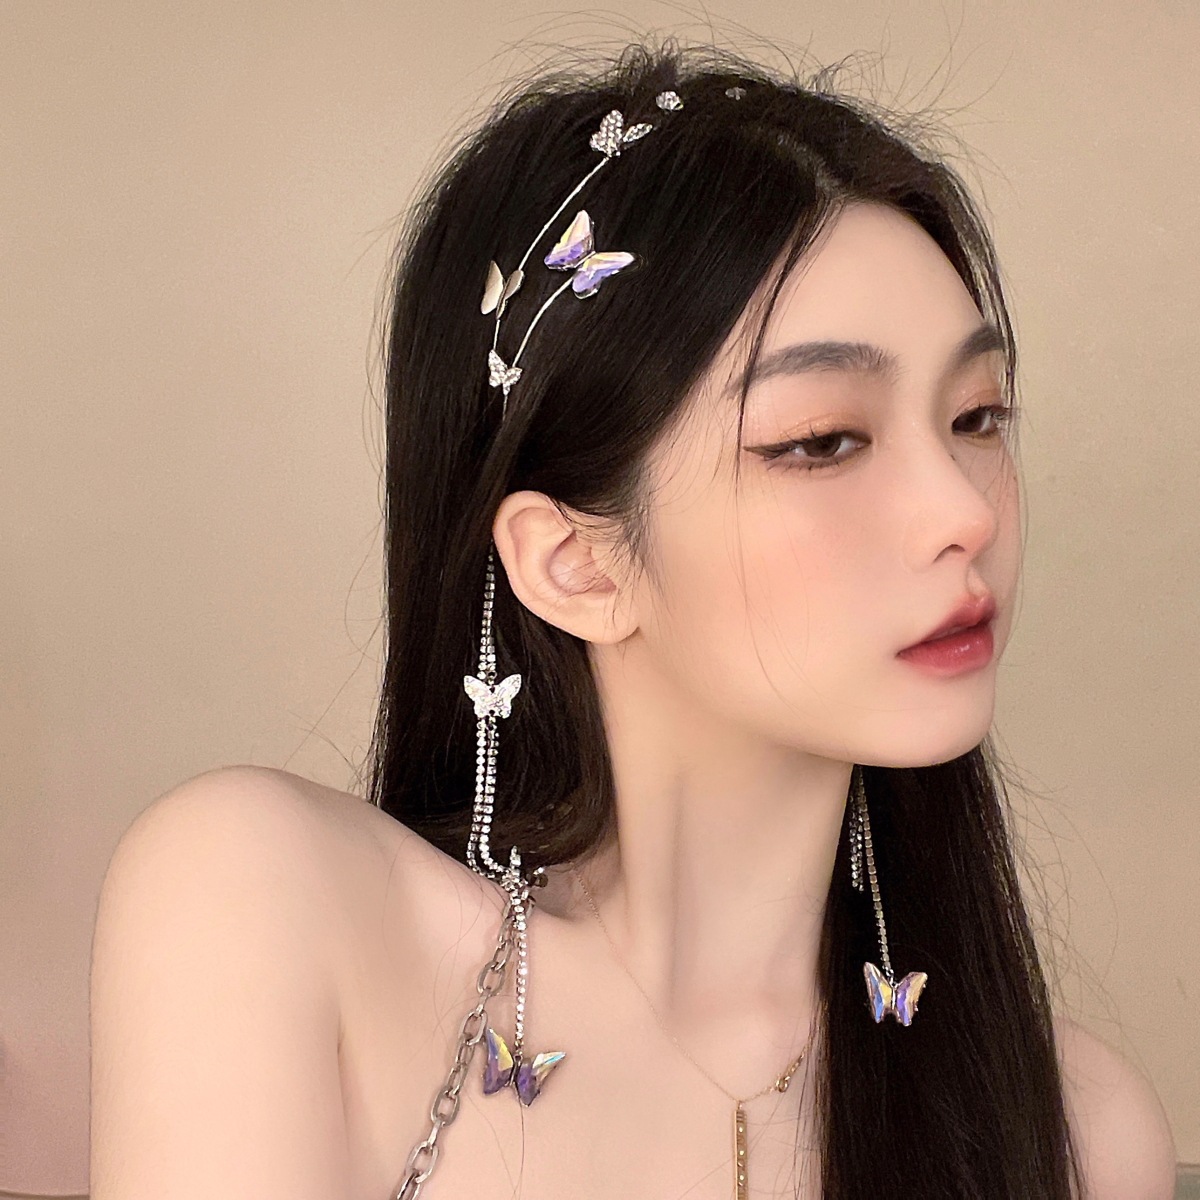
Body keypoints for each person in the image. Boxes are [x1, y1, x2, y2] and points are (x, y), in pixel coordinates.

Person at [89, 39, 1178, 1200]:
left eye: (977, 416)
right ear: (574, 564)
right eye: (823, 441)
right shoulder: (270, 912)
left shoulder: (1077, 1135)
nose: (965, 512)